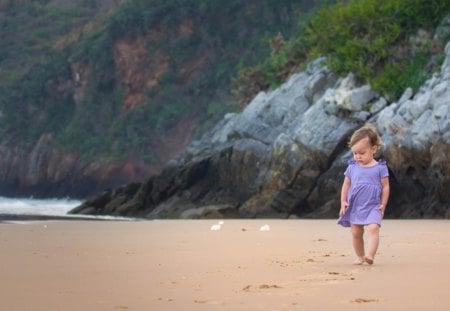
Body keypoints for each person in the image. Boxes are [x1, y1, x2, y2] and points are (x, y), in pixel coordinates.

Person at [338, 123, 390, 265]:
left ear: (373, 149)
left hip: (374, 205)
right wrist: (343, 201)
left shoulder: (380, 168)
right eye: (355, 153)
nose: (358, 157)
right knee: (356, 232)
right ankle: (360, 256)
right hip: (355, 205)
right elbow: (346, 184)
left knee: (373, 228)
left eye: (362, 153)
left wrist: (383, 204)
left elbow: (385, 187)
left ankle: (370, 255)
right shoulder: (352, 166)